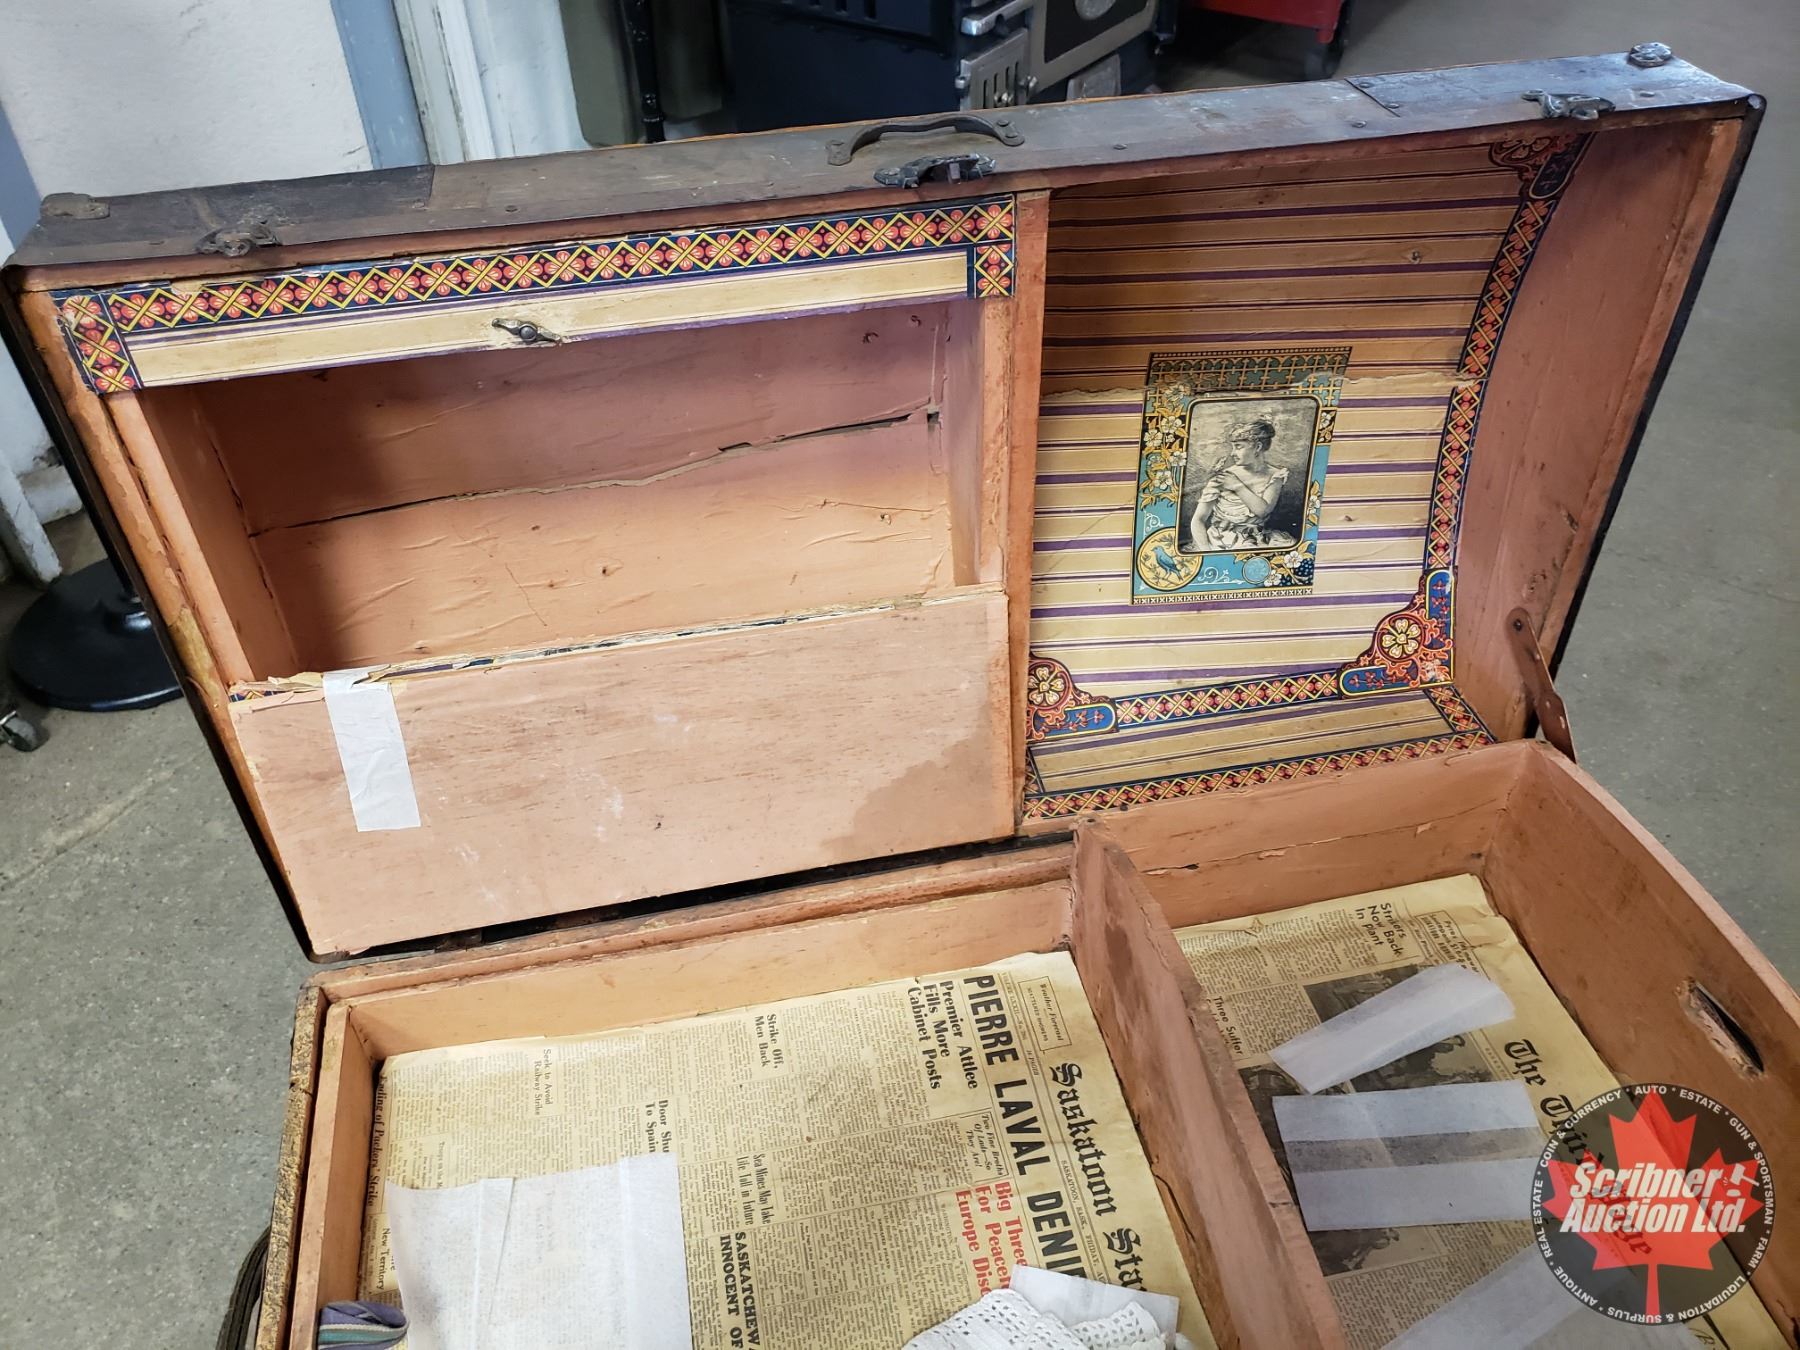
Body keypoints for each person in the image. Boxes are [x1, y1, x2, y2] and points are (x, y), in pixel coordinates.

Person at [1189, 419, 1295, 549]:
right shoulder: (1223, 477)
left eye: (1238, 447)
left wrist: (1237, 486)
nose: (1232, 453)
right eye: (1233, 447)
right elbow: (1198, 520)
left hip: (1257, 540)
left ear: (1257, 447)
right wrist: (1205, 550)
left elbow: (1263, 511)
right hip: (1219, 540)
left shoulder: (1275, 475)